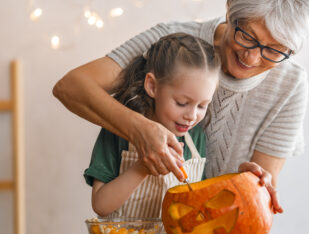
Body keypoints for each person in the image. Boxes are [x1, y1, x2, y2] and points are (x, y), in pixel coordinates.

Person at [54, 0, 309, 214]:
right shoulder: (173, 46)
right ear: (230, 10)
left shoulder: (290, 86)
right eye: (247, 36)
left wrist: (251, 184)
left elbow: (255, 204)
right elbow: (71, 87)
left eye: (274, 50)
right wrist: (139, 131)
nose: (251, 57)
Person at [83, 33, 220, 218]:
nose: (192, 116)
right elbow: (101, 205)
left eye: (203, 105)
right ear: (152, 86)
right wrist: (143, 167)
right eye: (181, 102)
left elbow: (199, 205)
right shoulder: (118, 130)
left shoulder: (196, 138)